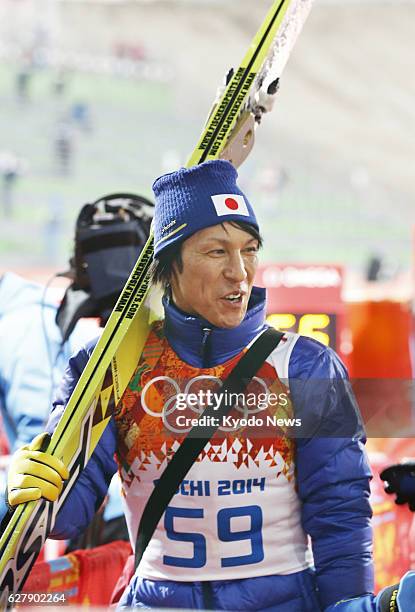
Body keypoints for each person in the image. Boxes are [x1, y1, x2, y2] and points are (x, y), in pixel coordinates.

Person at [5, 161, 415, 611]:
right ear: (171, 263)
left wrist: (348, 605)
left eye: (250, 248)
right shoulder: (112, 366)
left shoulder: (305, 366)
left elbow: (340, 515)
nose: (239, 271)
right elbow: (70, 513)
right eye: (217, 251)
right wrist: (32, 485)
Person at [0, 192, 153, 543]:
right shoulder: (24, 317)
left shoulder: (19, 327)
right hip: (101, 504)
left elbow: (41, 439)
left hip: (103, 509)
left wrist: (19, 502)